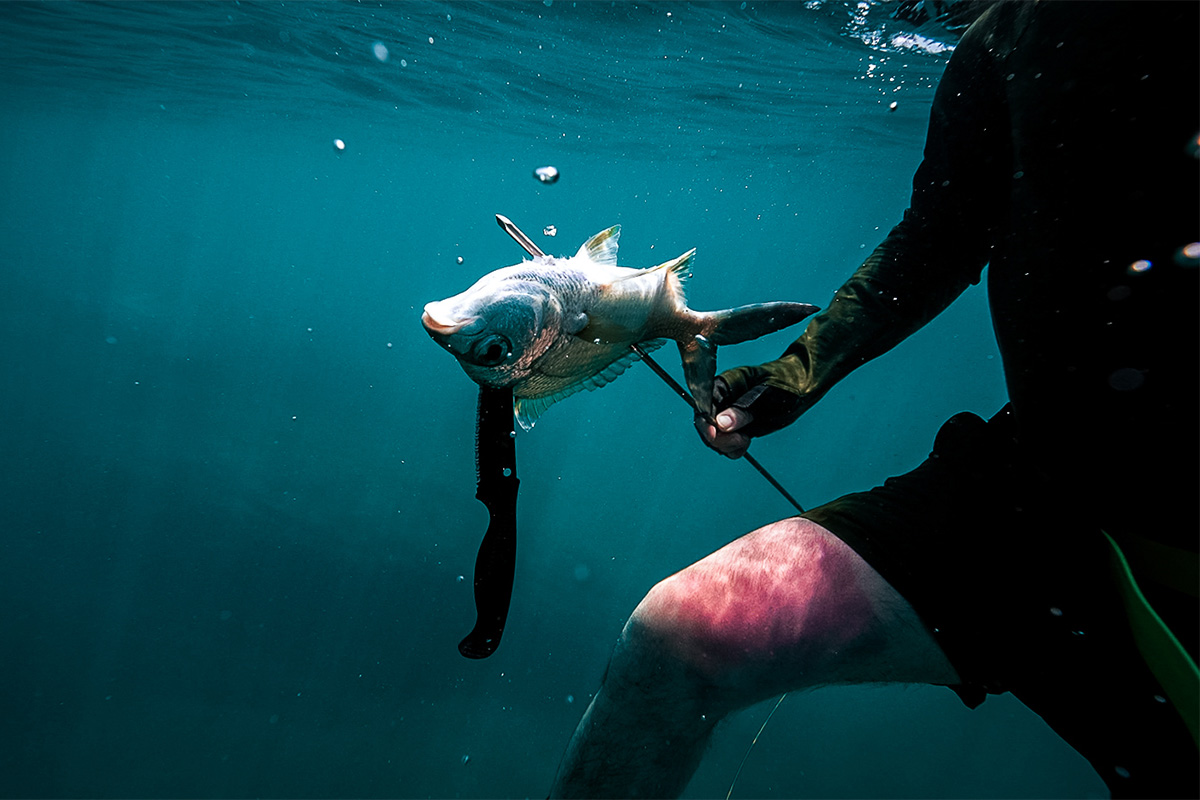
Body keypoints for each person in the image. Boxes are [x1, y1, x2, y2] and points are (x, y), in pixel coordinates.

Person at [549, 2, 1198, 798]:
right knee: (678, 638)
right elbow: (946, 233)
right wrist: (801, 370)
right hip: (1033, 502)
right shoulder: (1006, 32)